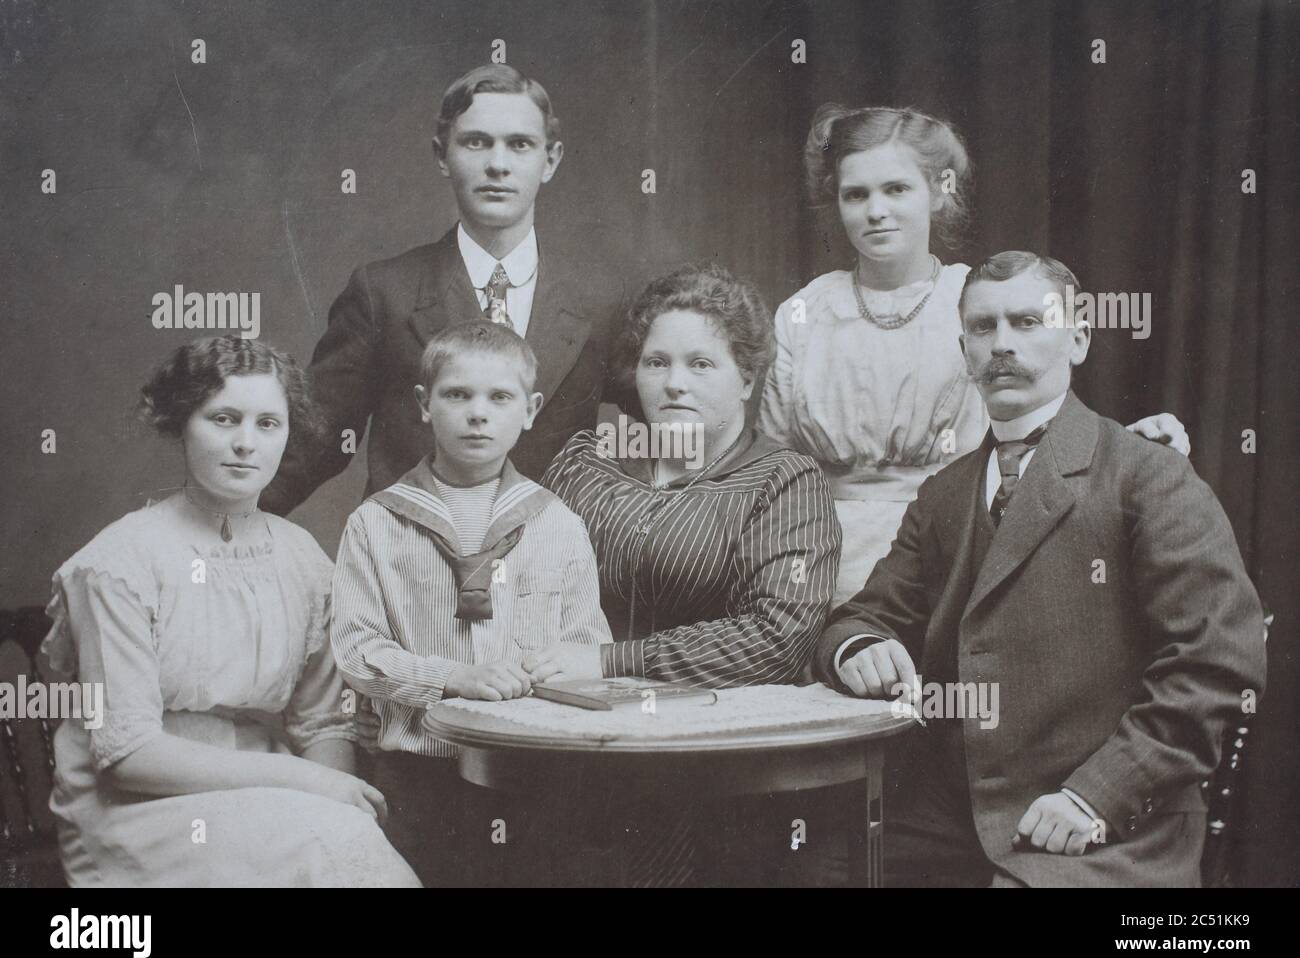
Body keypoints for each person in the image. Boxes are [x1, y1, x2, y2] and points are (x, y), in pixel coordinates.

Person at [815, 252, 1267, 887]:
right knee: (811, 871)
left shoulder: (1147, 474)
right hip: (959, 816)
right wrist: (859, 646)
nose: (1001, 345)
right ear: (964, 348)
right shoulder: (945, 494)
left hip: (1110, 823)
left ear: (1077, 338)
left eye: (1028, 322)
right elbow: (863, 616)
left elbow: (1215, 665)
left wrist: (1096, 797)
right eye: (982, 328)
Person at [759, 105, 1189, 604]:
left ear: (940, 191)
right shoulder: (805, 312)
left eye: (896, 189)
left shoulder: (981, 300)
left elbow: (1039, 426)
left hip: (961, 551)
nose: (875, 210)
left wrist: (1126, 450)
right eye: (856, 194)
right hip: (816, 563)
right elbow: (771, 467)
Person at [42, 337, 419, 887]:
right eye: (223, 418)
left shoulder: (302, 560)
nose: (246, 443)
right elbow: (127, 752)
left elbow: (321, 720)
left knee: (348, 842)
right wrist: (302, 786)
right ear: (181, 422)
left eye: (268, 424)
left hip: (264, 788)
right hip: (138, 809)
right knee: (329, 846)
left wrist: (337, 801)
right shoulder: (118, 564)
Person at [535, 264, 841, 884]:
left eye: (702, 365)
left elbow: (776, 639)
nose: (674, 384)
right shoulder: (586, 460)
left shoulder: (785, 482)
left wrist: (610, 660)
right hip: (570, 745)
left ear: (747, 377)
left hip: (715, 768)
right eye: (656, 363)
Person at [261, 63, 623, 515]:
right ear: (441, 154)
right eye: (476, 142)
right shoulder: (383, 293)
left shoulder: (602, 303)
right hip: (410, 566)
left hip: (550, 571)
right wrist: (213, 534)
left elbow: (676, 417)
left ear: (549, 160)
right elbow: (311, 445)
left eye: (519, 144)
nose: (497, 163)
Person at [330, 320, 611, 887]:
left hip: (532, 774)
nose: (477, 413)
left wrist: (562, 665)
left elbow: (591, 642)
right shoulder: (376, 523)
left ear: (530, 409)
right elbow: (356, 651)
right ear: (424, 404)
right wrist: (453, 676)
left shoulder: (558, 523)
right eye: (457, 394)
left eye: (499, 397)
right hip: (417, 775)